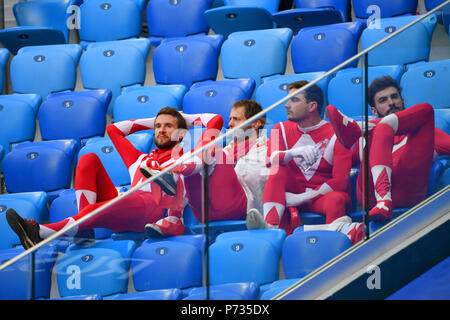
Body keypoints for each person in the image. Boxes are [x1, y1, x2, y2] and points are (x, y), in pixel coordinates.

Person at [6, 107, 224, 249]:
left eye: (168, 127)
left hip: (152, 209)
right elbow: (114, 130)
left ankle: (41, 233)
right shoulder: (140, 160)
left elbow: (215, 120)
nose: (161, 130)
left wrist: (183, 119)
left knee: (109, 205)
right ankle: (85, 228)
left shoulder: (187, 157)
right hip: (129, 204)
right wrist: (157, 119)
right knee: (88, 159)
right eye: (158, 127)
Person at [325, 75, 450, 221]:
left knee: (426, 110)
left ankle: (359, 128)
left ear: (403, 101)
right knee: (379, 132)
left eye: (394, 97)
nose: (391, 103)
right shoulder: (363, 141)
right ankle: (383, 200)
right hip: (371, 198)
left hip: (407, 193)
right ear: (374, 111)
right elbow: (334, 167)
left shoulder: (428, 133)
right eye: (383, 100)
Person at [142, 99, 270, 236]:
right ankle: (174, 216)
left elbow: (257, 184)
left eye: (236, 119)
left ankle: (174, 173)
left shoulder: (265, 151)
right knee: (198, 159)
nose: (230, 124)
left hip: (241, 209)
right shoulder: (227, 150)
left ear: (256, 124)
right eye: (230, 119)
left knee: (210, 149)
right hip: (205, 213)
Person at [246, 80, 353, 234]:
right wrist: (292, 153)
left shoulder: (337, 133)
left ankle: (332, 242)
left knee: (337, 199)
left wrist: (303, 197)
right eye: (287, 100)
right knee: (277, 169)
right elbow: (271, 160)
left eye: (294, 100)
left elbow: (340, 182)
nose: (286, 105)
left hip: (321, 196)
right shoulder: (280, 128)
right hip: (292, 192)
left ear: (312, 106)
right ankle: (270, 228)